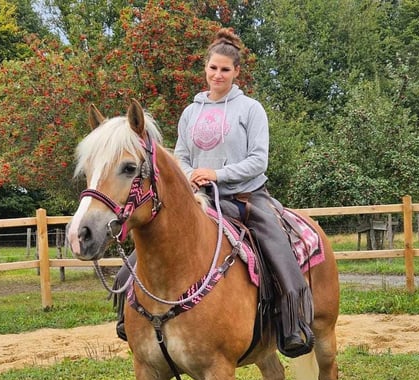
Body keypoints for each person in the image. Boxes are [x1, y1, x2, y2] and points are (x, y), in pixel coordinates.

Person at [117, 28, 314, 358]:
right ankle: (127, 315)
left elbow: (258, 160)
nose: (218, 75)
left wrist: (217, 174)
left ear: (236, 72)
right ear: (205, 69)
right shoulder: (190, 113)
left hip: (244, 199)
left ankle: (292, 323)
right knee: (137, 258)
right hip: (197, 201)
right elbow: (179, 155)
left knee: (278, 251)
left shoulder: (251, 109)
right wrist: (189, 175)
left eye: (225, 69)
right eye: (213, 68)